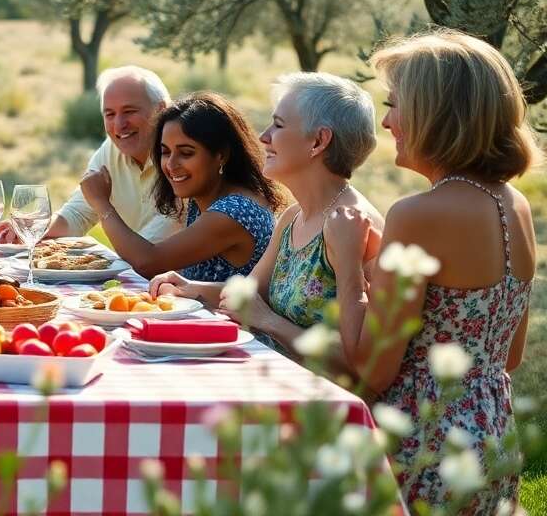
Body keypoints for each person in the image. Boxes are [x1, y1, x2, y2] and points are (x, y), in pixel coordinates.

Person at [329, 30, 538, 514]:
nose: (386, 121)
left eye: (395, 104)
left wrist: (346, 268)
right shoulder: (516, 206)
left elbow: (372, 371)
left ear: (435, 113)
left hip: (426, 443)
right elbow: (509, 355)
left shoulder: (418, 213)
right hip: (492, 439)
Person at [149, 73, 384, 364]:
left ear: (319, 141)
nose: (264, 136)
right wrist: (189, 287)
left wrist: (270, 321)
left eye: (279, 125)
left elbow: (365, 363)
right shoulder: (292, 217)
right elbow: (248, 293)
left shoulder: (357, 225)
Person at [81, 91, 284, 282]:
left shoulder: (236, 211)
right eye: (165, 152)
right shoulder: (206, 198)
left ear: (221, 154)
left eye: (186, 153)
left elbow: (148, 262)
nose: (170, 165)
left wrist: (101, 204)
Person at [0, 66, 180, 244]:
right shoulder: (111, 149)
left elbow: (149, 254)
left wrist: (101, 204)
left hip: (170, 274)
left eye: (129, 111)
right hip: (134, 270)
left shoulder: (181, 160)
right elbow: (79, 213)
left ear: (161, 110)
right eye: (109, 114)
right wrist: (33, 226)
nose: (119, 124)